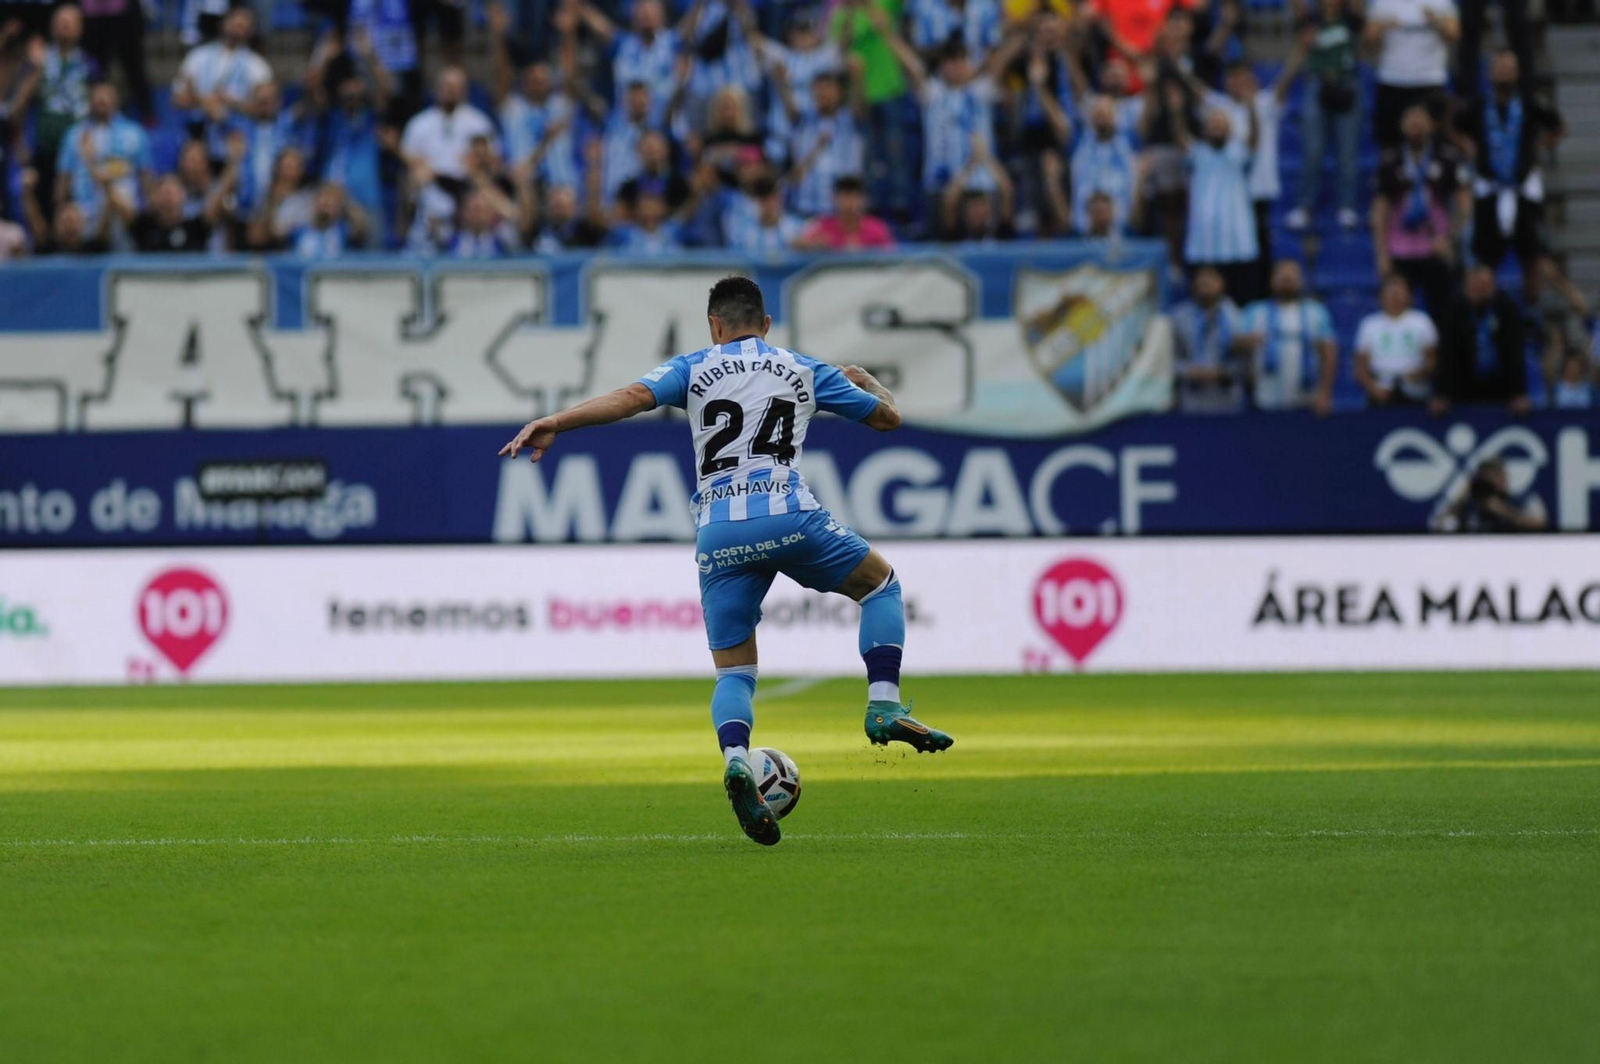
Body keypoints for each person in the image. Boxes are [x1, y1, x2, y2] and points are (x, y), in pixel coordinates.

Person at [499, 276, 952, 847]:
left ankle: (738, 758)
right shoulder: (804, 367)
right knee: (880, 586)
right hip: (788, 514)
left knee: (735, 671)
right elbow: (887, 420)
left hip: (718, 533)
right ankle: (883, 705)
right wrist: (871, 383)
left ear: (714, 326)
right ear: (766, 325)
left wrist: (556, 422)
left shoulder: (693, 366)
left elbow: (631, 399)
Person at [1372, 104, 1469, 322]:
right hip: (1400, 248)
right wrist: (1381, 254)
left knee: (1445, 313)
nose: (1415, 125)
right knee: (1399, 314)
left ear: (1431, 125)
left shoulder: (1447, 157)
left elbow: (1464, 203)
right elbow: (1380, 210)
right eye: (1410, 119)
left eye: (1420, 119)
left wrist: (1450, 238)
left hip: (1436, 247)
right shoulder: (1390, 160)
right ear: (1401, 125)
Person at [1286, 0, 1363, 232]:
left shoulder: (1351, 20)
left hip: (1346, 84)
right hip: (1317, 84)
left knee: (1348, 151)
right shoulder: (1309, 20)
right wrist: (1305, 42)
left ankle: (1346, 206)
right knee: (1312, 150)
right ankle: (1305, 206)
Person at [1177, 104, 1260, 305]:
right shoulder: (1197, 153)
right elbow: (1180, 138)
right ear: (1204, 129)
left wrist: (1251, 109)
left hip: (1238, 245)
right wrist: (1175, 111)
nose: (1217, 128)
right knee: (1203, 303)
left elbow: (1254, 140)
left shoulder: (1239, 152)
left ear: (1230, 129)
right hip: (1203, 245)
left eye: (1222, 124)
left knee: (1240, 303)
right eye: (1213, 124)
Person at [171, 6, 273, 159]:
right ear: (223, 24)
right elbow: (177, 100)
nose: (237, 30)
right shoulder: (197, 57)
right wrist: (203, 101)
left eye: (243, 27)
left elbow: (266, 110)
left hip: (239, 142)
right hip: (198, 139)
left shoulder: (257, 66)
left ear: (250, 32)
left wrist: (230, 102)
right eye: (234, 24)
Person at [1239, 259, 1338, 413]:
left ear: (1301, 282)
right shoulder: (1255, 311)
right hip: (1266, 394)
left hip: (1307, 396)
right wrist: (1246, 341)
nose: (1287, 283)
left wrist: (1325, 393)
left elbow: (1329, 355)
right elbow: (1236, 345)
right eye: (1282, 279)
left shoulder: (1317, 312)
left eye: (1291, 279)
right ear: (1272, 281)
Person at [1433, 264, 1528, 414]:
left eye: (1483, 285)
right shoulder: (1454, 310)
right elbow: (1447, 354)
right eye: (1473, 285)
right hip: (1463, 385)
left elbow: (1515, 353)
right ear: (1465, 287)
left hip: (1500, 385)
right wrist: (1441, 394)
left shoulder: (1507, 309)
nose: (1478, 290)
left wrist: (1518, 393)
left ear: (1493, 285)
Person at [1364, 0, 1456, 147]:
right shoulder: (1382, 3)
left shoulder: (1440, 3)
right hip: (1392, 80)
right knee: (1389, 144)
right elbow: (1367, 42)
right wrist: (1383, 26)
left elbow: (1454, 35)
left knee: (1435, 145)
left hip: (1429, 80)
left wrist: (1436, 21)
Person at [1168, 264, 1247, 412]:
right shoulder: (1178, 317)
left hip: (1228, 398)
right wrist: (1188, 371)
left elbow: (1246, 359)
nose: (1205, 284)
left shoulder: (1236, 316)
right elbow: (1168, 358)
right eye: (1201, 281)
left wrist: (1223, 372)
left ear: (1221, 283)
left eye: (1211, 280)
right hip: (1191, 399)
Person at [1354, 274, 1437, 405]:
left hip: (1415, 391)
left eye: (1400, 292)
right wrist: (1373, 388)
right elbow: (1360, 367)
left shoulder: (1422, 321)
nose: (1395, 296)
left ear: (1409, 295)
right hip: (1380, 390)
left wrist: (1420, 375)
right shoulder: (1369, 324)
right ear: (1381, 296)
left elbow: (1433, 361)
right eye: (1390, 292)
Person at [1431, 458, 1547, 532]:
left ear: (1505, 478)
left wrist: (1506, 512)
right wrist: (1460, 499)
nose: (1492, 481)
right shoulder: (1468, 505)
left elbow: (1540, 525)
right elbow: (1437, 525)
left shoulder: (1522, 500)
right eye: (1486, 477)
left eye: (1496, 476)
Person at [793, 174, 896, 250]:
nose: (850, 202)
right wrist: (813, 246)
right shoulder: (822, 228)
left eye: (855, 197)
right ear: (834, 198)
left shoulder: (877, 230)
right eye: (846, 196)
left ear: (865, 200)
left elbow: (890, 257)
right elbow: (797, 244)